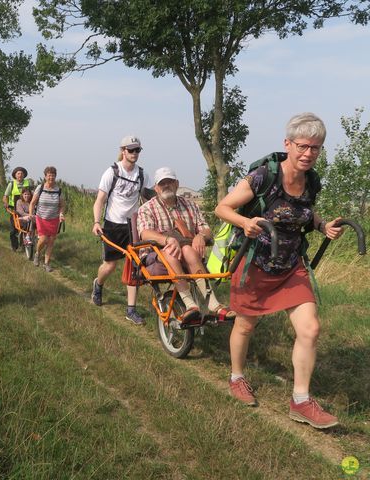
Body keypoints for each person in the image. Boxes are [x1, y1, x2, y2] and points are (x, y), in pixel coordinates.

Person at [215, 112, 343, 429]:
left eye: (316, 148)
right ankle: (237, 376)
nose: (309, 153)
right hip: (256, 262)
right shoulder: (263, 177)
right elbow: (222, 208)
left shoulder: (312, 181)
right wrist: (246, 223)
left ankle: (300, 401)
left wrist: (322, 225)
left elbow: (306, 213)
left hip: (290, 265)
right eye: (303, 146)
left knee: (310, 328)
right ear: (287, 144)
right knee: (245, 326)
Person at [137, 167, 234, 324]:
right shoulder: (147, 208)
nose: (166, 186)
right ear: (156, 188)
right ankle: (190, 304)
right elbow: (145, 234)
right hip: (156, 256)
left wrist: (201, 236)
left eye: (169, 182)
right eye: (162, 183)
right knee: (171, 251)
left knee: (188, 249)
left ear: (177, 184)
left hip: (187, 253)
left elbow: (206, 230)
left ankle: (213, 305)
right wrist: (167, 240)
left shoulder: (190, 205)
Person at [91, 135, 149, 325]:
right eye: (131, 150)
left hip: (132, 226)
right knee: (110, 265)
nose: (134, 153)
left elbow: (148, 199)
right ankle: (98, 284)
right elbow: (100, 200)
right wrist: (96, 222)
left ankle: (131, 310)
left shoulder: (142, 174)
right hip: (112, 225)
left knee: (134, 268)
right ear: (123, 150)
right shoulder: (112, 172)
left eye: (137, 150)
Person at [29, 166, 65, 272]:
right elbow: (32, 203)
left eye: (53, 175)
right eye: (49, 175)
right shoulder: (40, 188)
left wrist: (61, 214)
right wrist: (31, 214)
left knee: (51, 241)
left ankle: (46, 263)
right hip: (41, 218)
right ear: (45, 176)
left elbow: (62, 205)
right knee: (44, 239)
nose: (51, 177)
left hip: (54, 219)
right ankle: (37, 253)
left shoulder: (59, 190)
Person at [3, 166, 32, 251]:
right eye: (18, 173)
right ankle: (14, 246)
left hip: (26, 207)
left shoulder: (28, 183)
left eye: (22, 173)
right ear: (15, 175)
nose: (20, 175)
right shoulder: (11, 184)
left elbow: (33, 194)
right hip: (14, 209)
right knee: (13, 229)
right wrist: (6, 203)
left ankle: (24, 244)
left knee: (27, 226)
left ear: (24, 175)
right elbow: (5, 196)